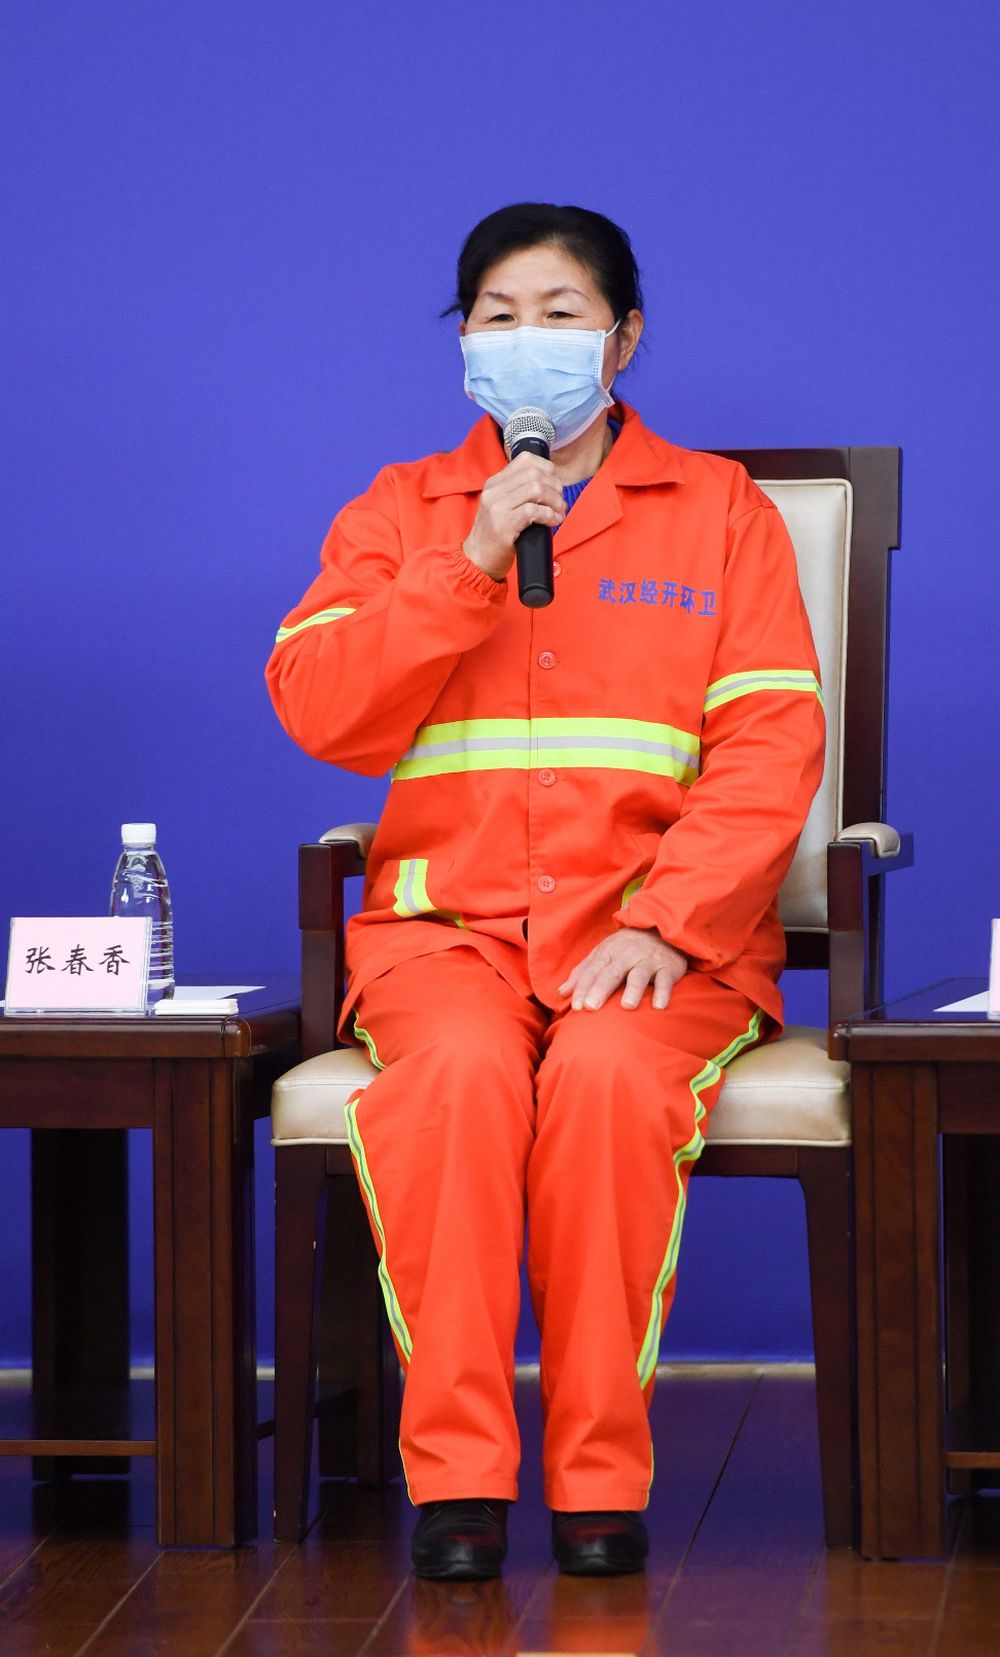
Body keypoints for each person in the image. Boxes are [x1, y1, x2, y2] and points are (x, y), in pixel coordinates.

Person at [266, 203, 825, 1581]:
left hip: (656, 939)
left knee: (609, 1085)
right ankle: (458, 1483)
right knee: (455, 1086)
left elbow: (772, 744)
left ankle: (597, 1482)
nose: (528, 339)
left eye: (561, 314)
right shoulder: (404, 510)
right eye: (497, 315)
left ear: (624, 339)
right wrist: (464, 567)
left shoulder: (722, 512)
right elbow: (318, 709)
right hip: (445, 934)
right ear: (461, 341)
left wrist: (670, 919)